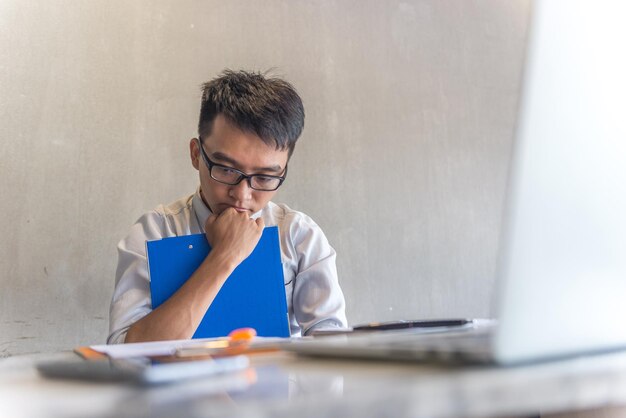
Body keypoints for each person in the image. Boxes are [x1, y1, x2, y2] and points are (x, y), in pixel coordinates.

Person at [108, 70, 347, 343]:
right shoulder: (154, 232)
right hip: (180, 387)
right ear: (196, 154)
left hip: (278, 385)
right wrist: (225, 256)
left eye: (265, 177)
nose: (242, 195)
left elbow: (334, 349)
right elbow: (124, 354)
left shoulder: (298, 236)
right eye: (226, 170)